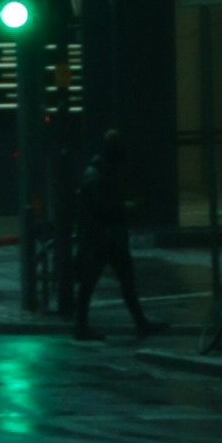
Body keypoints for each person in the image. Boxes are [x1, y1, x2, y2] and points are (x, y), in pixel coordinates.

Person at [70, 118, 148, 340]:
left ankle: (139, 322)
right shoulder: (98, 173)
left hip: (106, 237)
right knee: (92, 282)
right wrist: (123, 207)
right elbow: (98, 206)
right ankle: (81, 326)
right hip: (101, 237)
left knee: (122, 280)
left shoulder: (104, 171)